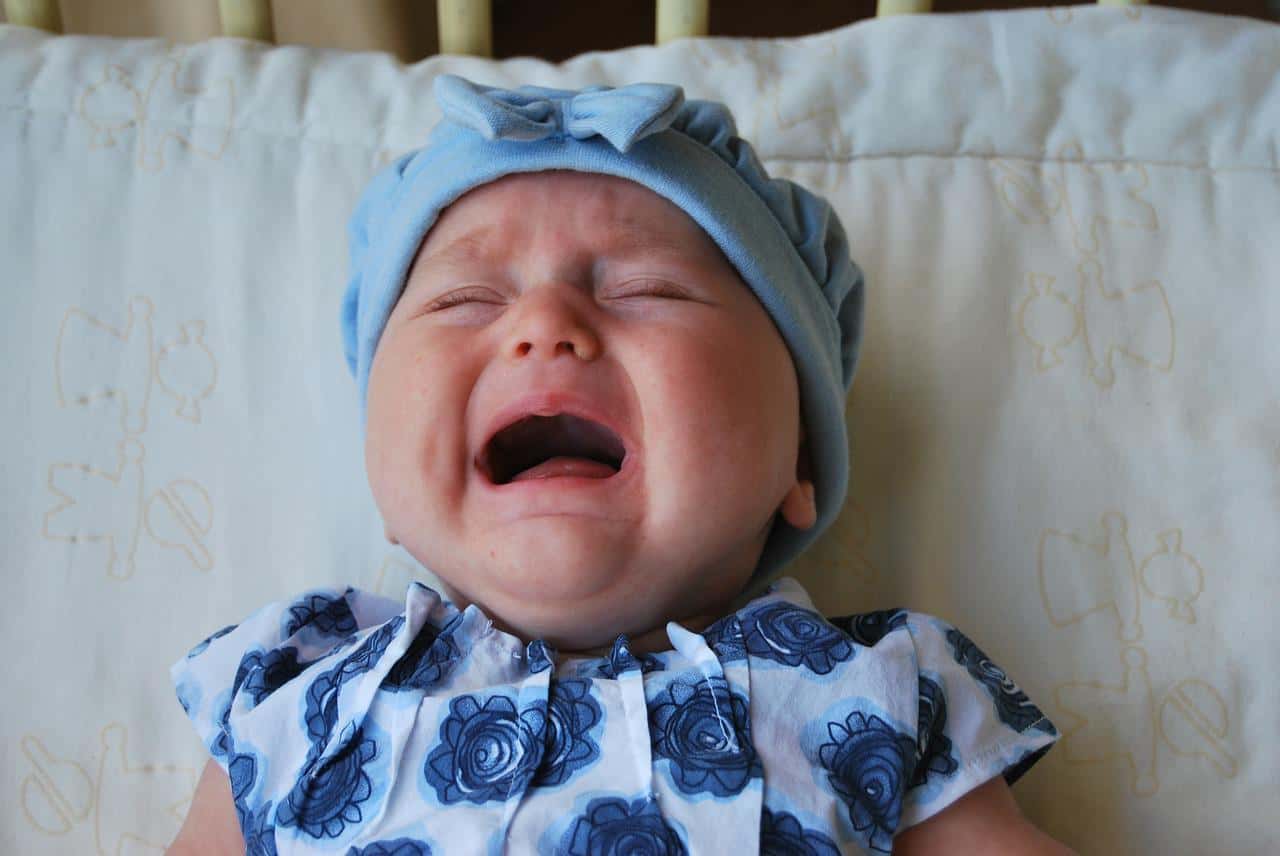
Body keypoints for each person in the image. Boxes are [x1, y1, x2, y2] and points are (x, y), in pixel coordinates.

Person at [166, 73, 1073, 855]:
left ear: (799, 455)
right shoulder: (294, 684)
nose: (542, 325)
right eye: (464, 299)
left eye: (646, 289)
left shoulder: (875, 690)